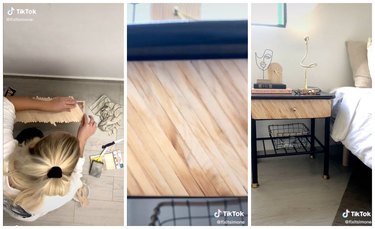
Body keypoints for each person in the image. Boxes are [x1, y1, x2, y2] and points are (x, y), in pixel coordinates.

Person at [3, 96, 96, 221]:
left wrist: (49, 105)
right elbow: (77, 172)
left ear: (33, 144)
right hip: (26, 215)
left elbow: (6, 102)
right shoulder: (66, 190)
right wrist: (82, 140)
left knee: (32, 132)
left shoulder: (4, 152)